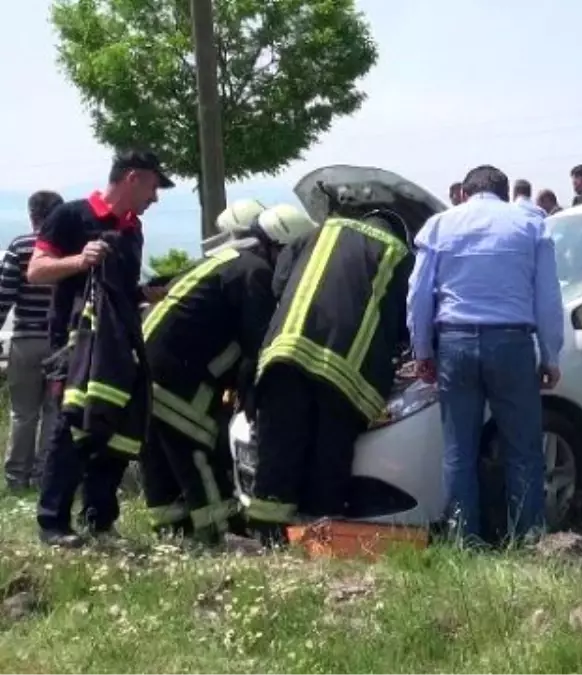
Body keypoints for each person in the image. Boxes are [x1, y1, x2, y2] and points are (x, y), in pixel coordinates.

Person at [140, 204, 316, 546]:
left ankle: (174, 532)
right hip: (175, 373)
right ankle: (222, 534)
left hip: (151, 367)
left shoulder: (228, 260)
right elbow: (259, 342)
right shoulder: (255, 273)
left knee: (161, 451)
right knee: (196, 446)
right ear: (279, 246)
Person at [407, 164, 564, 545]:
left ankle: (465, 541)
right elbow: (547, 298)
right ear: (506, 192)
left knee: (459, 450)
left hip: (455, 344)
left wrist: (423, 350)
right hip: (511, 344)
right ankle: (529, 539)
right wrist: (551, 355)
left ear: (463, 192)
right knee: (523, 450)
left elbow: (418, 296)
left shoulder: (440, 226)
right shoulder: (532, 225)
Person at [29, 149, 174, 547]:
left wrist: (147, 293)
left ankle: (99, 520)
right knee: (70, 429)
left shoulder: (133, 230)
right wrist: (80, 259)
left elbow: (122, 291)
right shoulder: (70, 216)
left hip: (118, 345)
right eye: (153, 185)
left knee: (117, 430)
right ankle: (52, 524)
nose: (155, 197)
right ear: (132, 178)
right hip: (72, 346)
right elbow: (37, 270)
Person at [244, 209, 414, 545]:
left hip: (285, 352)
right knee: (329, 453)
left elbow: (279, 282)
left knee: (278, 446)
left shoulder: (316, 232)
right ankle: (317, 538)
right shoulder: (398, 254)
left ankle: (266, 537)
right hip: (346, 369)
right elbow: (402, 323)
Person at [0, 191, 63, 491]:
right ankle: (45, 474)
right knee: (54, 410)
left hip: (26, 339)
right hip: (60, 343)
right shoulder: (70, 249)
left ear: (32, 215)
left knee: (23, 412)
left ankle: (16, 478)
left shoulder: (20, 246)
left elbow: (3, 296)